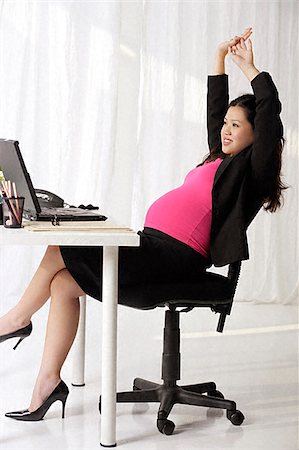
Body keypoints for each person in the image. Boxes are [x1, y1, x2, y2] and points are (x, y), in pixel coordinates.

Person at [0, 27, 285, 421]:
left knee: (59, 246)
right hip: (152, 244)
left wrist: (251, 69)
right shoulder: (216, 160)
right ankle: (47, 385)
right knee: (64, 284)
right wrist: (219, 60)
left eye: (236, 125)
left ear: (257, 137)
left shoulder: (250, 172)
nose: (225, 129)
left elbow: (271, 116)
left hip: (176, 256)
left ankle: (15, 320)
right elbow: (214, 110)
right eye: (227, 123)